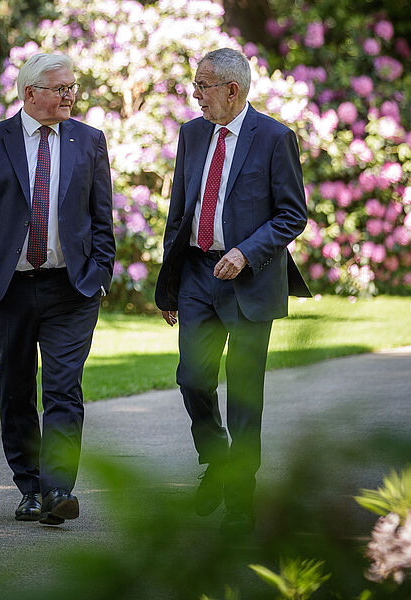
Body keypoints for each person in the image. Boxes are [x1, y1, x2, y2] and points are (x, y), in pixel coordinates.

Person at [154, 47, 310, 534]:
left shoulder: (274, 138)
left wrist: (245, 252)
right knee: (192, 379)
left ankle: (241, 496)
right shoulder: (192, 133)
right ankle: (216, 458)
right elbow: (179, 212)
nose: (195, 95)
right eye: (195, 86)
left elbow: (292, 214)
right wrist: (171, 280)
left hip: (249, 281)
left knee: (244, 393)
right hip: (199, 276)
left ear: (232, 90)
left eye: (202, 87)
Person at [0, 53, 115, 526]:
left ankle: (58, 489)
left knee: (64, 388)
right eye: (60, 88)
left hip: (73, 289)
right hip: (10, 289)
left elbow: (101, 218)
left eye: (72, 87)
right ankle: (30, 487)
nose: (70, 96)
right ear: (30, 94)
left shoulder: (89, 140)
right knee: (15, 389)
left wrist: (100, 273)